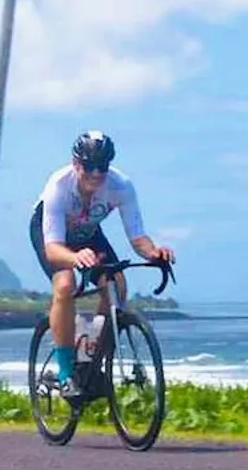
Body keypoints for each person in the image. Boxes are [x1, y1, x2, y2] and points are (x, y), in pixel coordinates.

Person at [30, 130, 174, 396]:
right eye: (89, 166)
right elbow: (52, 250)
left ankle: (89, 356)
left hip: (87, 232)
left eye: (103, 166)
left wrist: (154, 253)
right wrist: (74, 258)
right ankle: (65, 374)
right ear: (76, 164)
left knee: (117, 283)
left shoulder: (121, 186)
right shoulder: (58, 186)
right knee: (65, 284)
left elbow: (137, 236)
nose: (96, 173)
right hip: (51, 233)